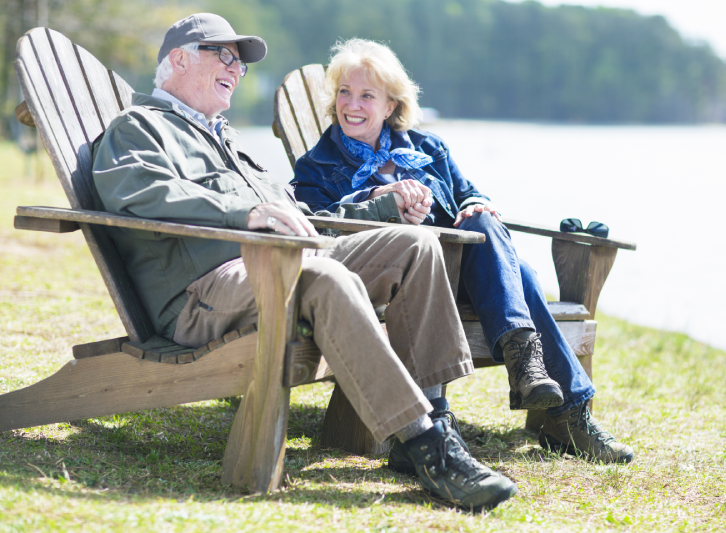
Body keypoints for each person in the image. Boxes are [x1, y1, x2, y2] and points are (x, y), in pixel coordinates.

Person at [91, 14, 517, 511]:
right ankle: (426, 446)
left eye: (241, 62)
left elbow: (305, 216)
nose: (237, 68)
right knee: (322, 275)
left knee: (414, 246)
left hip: (287, 262)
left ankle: (435, 414)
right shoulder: (139, 127)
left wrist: (382, 208)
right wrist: (243, 211)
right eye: (224, 55)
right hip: (206, 291)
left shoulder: (224, 141)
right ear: (179, 59)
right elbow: (133, 190)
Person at [291, 38, 635, 464]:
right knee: (523, 277)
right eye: (344, 92)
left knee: (485, 224)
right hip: (398, 283)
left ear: (391, 106)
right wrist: (383, 197)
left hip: (461, 275)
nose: (352, 104)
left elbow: (470, 193)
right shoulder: (316, 166)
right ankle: (563, 409)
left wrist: (475, 203)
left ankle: (540, 381)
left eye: (366, 95)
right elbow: (322, 226)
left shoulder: (429, 150)